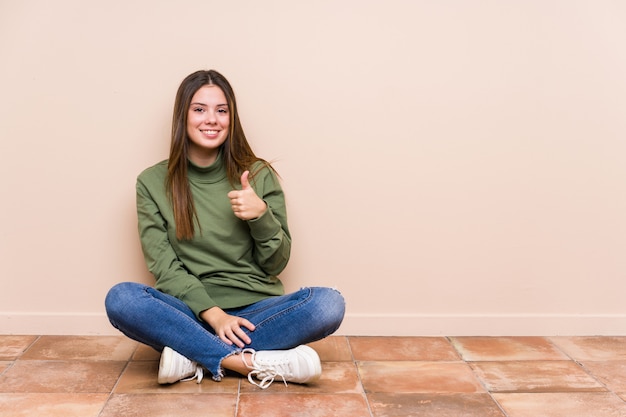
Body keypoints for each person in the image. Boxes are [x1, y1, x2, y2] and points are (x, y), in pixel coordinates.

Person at [105, 69, 345, 389]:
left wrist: (261, 216)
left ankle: (191, 354)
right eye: (199, 109)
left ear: (231, 119)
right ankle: (248, 363)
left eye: (221, 110)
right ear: (183, 116)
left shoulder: (258, 174)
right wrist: (215, 315)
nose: (212, 119)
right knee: (122, 299)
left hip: (257, 314)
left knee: (329, 303)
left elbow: (276, 264)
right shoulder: (151, 182)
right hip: (192, 313)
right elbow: (165, 267)